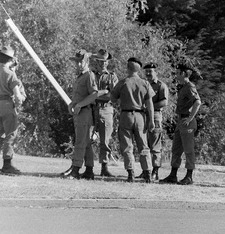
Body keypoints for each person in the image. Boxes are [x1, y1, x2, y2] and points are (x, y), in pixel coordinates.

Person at [109, 57, 156, 183]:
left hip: (126, 115)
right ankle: (148, 173)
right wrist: (151, 120)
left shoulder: (123, 82)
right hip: (140, 116)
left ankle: (131, 173)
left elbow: (113, 98)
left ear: (128, 68)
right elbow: (150, 104)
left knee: (127, 145)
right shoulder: (145, 83)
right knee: (143, 145)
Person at [160, 65, 203, 185]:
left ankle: (189, 176)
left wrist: (190, 118)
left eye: (178, 73)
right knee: (176, 149)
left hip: (186, 122)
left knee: (188, 150)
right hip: (181, 121)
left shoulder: (190, 87)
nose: (176, 75)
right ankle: (173, 175)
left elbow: (197, 102)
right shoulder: (183, 87)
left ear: (184, 74)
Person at [0, 46, 26, 174]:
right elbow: (17, 95)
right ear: (11, 59)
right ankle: (7, 163)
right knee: (11, 134)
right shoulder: (10, 74)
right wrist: (19, 101)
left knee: (0, 135)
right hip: (6, 104)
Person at [62, 50, 98, 179]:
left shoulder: (89, 75)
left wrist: (79, 105)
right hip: (79, 112)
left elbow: (94, 94)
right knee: (86, 142)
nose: (77, 64)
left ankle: (76, 169)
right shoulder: (81, 76)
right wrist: (72, 104)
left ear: (86, 62)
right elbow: (80, 96)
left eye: (80, 61)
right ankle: (89, 170)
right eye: (76, 62)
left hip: (85, 112)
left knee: (80, 142)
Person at [92, 49, 119, 177]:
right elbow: (90, 94)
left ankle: (104, 166)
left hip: (107, 109)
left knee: (105, 140)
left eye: (105, 62)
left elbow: (114, 96)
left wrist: (98, 94)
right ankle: (87, 166)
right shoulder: (91, 75)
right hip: (92, 108)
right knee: (86, 138)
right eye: (100, 61)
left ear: (108, 63)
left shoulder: (112, 77)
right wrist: (105, 92)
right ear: (96, 62)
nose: (103, 64)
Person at [143, 63, 169, 180]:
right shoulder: (143, 84)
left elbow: (164, 102)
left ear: (156, 72)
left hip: (155, 116)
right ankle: (146, 169)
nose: (148, 73)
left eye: (150, 71)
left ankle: (155, 170)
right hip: (143, 116)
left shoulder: (161, 86)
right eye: (146, 71)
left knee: (155, 145)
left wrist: (150, 106)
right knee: (144, 144)